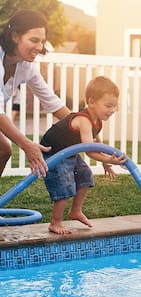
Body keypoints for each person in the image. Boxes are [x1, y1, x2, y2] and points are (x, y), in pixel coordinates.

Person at [40, 76, 128, 235]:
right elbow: (89, 150)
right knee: (65, 184)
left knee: (86, 176)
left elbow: (96, 143)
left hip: (68, 153)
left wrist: (105, 163)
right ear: (92, 102)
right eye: (108, 105)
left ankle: (75, 211)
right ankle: (55, 222)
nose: (112, 110)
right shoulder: (83, 120)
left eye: (115, 106)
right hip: (53, 152)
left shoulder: (97, 121)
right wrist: (109, 159)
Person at [0, 9, 70, 177]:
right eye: (34, 40)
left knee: (3, 150)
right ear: (15, 36)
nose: (39, 47)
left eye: (42, 41)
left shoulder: (26, 67)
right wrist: (26, 145)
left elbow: (51, 101)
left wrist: (85, 125)